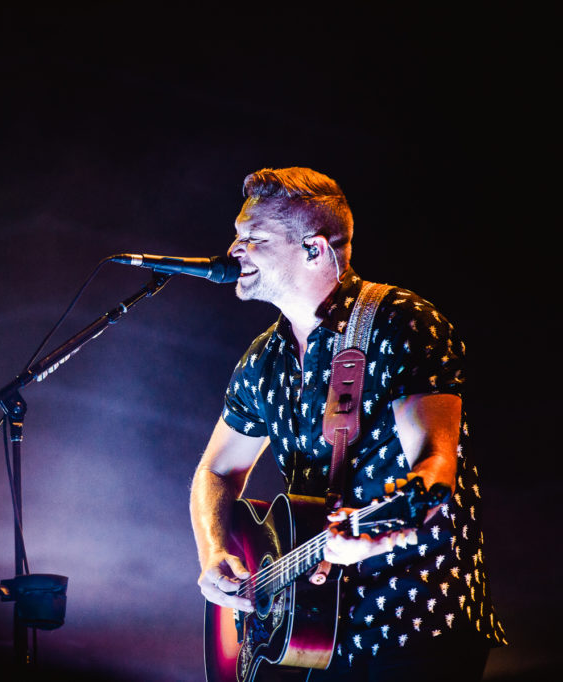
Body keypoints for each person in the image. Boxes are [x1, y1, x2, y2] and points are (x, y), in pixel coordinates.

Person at [189, 167, 506, 680]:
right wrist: (216, 551)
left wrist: (379, 532)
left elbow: (435, 465)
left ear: (314, 249)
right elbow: (215, 472)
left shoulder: (401, 322)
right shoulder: (262, 360)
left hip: (410, 622)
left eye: (253, 238)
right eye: (237, 234)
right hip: (310, 638)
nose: (234, 250)